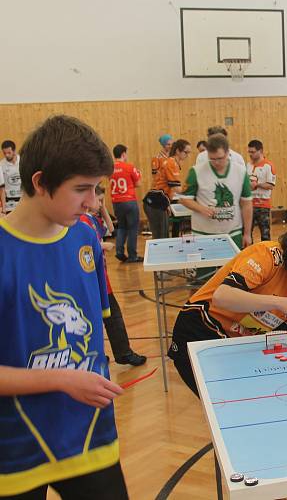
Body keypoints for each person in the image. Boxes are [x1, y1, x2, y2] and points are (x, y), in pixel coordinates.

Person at [0, 115, 129, 499]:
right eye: (81, 189)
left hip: (90, 434)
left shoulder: (86, 236)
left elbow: (92, 334)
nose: (93, 202)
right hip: (15, 445)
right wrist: (62, 379)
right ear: (39, 182)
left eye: (97, 189)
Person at [167, 211, 287, 396]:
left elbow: (278, 333)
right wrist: (281, 303)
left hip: (238, 343)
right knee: (223, 407)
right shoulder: (268, 255)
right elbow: (222, 296)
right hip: (199, 331)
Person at [80, 186, 147, 367]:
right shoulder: (82, 221)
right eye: (98, 200)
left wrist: (101, 208)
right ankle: (117, 353)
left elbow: (110, 229)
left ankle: (117, 353)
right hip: (91, 280)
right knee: (105, 318)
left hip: (102, 278)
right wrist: (102, 246)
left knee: (109, 316)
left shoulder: (92, 219)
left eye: (103, 200)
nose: (101, 204)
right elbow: (85, 246)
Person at [180, 133, 253, 248]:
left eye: (220, 158)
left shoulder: (240, 172)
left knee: (233, 266)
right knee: (205, 266)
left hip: (233, 232)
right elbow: (184, 199)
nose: (216, 162)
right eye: (212, 159)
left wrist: (247, 233)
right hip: (203, 233)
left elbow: (247, 204)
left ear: (228, 152)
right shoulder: (196, 171)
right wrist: (201, 209)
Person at [109, 144, 143, 262]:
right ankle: (132, 255)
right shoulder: (129, 167)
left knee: (122, 226)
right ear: (123, 154)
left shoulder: (110, 169)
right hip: (129, 200)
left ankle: (119, 251)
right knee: (133, 228)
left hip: (116, 202)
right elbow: (138, 184)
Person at [142, 133, 173, 239]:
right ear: (163, 145)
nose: (170, 146)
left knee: (165, 228)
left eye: (171, 144)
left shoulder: (171, 158)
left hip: (167, 193)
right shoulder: (157, 158)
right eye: (168, 144)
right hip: (159, 194)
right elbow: (156, 178)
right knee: (159, 231)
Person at [246, 139, 277, 242]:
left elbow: (271, 185)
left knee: (265, 234)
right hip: (249, 204)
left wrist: (257, 185)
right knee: (246, 233)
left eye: (253, 152)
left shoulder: (268, 166)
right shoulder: (248, 166)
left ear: (260, 151)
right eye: (249, 152)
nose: (250, 154)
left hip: (263, 206)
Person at [1, 140, 21, 214]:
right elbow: (2, 188)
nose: (6, 155)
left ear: (14, 151)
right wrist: (3, 209)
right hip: (9, 204)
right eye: (4, 153)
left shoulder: (24, 161)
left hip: (23, 201)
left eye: (9, 153)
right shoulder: (1, 165)